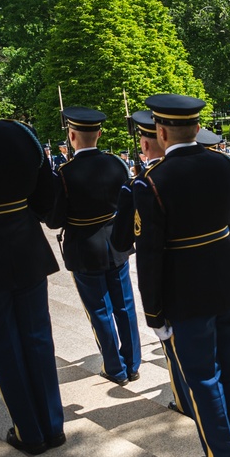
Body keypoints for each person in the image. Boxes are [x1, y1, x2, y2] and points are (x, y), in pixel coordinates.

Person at [133, 93, 230, 457]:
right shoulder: (224, 164)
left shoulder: (151, 183)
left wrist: (154, 312)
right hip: (229, 279)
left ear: (162, 131)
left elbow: (149, 254)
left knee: (203, 377)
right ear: (198, 128)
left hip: (186, 292)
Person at [0, 64, 65, 455]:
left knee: (3, 347)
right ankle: (53, 424)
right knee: (38, 339)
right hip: (25, 248)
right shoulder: (20, 134)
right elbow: (47, 194)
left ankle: (29, 431)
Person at [47, 107, 140, 386]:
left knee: (100, 310)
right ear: (99, 134)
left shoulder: (65, 173)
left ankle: (115, 367)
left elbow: (53, 220)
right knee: (124, 306)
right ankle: (133, 364)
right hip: (117, 245)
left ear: (72, 136)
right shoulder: (116, 164)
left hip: (85, 249)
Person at [111, 110, 192, 418]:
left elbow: (125, 244)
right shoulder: (207, 167)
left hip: (173, 283)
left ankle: (185, 402)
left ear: (147, 144)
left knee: (179, 355)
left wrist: (153, 313)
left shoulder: (141, 186)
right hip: (214, 278)